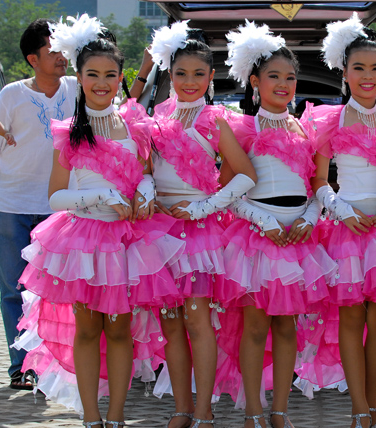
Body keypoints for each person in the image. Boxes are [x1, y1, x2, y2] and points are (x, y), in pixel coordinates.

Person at [14, 14, 184, 427]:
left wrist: (144, 191)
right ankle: (91, 416)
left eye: (110, 74)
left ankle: (117, 415)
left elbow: (145, 171)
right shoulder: (69, 130)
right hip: (84, 240)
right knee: (88, 330)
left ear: (120, 76)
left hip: (129, 241)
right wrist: (102, 195)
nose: (102, 83)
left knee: (121, 330)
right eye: (93, 75)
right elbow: (56, 196)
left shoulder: (134, 125)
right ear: (80, 76)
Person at [296, 13, 376, 428]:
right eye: (359, 68)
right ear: (344, 72)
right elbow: (317, 180)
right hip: (347, 231)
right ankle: (358, 408)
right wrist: (340, 208)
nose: (368, 76)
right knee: (350, 318)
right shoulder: (328, 119)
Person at [220, 20, 335, 428]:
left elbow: (316, 185)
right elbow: (227, 193)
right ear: (255, 81)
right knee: (254, 327)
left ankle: (280, 410)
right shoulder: (241, 128)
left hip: (298, 240)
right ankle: (253, 409)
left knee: (288, 328)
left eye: (290, 77)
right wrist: (261, 218)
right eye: (274, 77)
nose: (284, 84)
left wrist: (309, 216)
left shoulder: (306, 127)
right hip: (256, 238)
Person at [145, 21, 257, 428]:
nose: (189, 82)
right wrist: (146, 193)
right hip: (158, 233)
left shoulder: (217, 120)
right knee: (171, 324)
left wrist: (203, 208)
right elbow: (144, 170)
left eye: (198, 74)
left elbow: (244, 176)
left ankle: (205, 410)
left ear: (211, 77)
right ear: (169, 76)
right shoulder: (154, 119)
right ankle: (181, 408)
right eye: (180, 74)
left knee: (197, 320)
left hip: (199, 233)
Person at [0, 17, 77, 391]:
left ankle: (52, 365)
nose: (62, 57)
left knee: (55, 290)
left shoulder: (78, 89)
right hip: (11, 204)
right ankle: (20, 366)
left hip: (59, 208)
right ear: (32, 58)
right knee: (13, 289)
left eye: (64, 50)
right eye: (52, 51)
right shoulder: (11, 94)